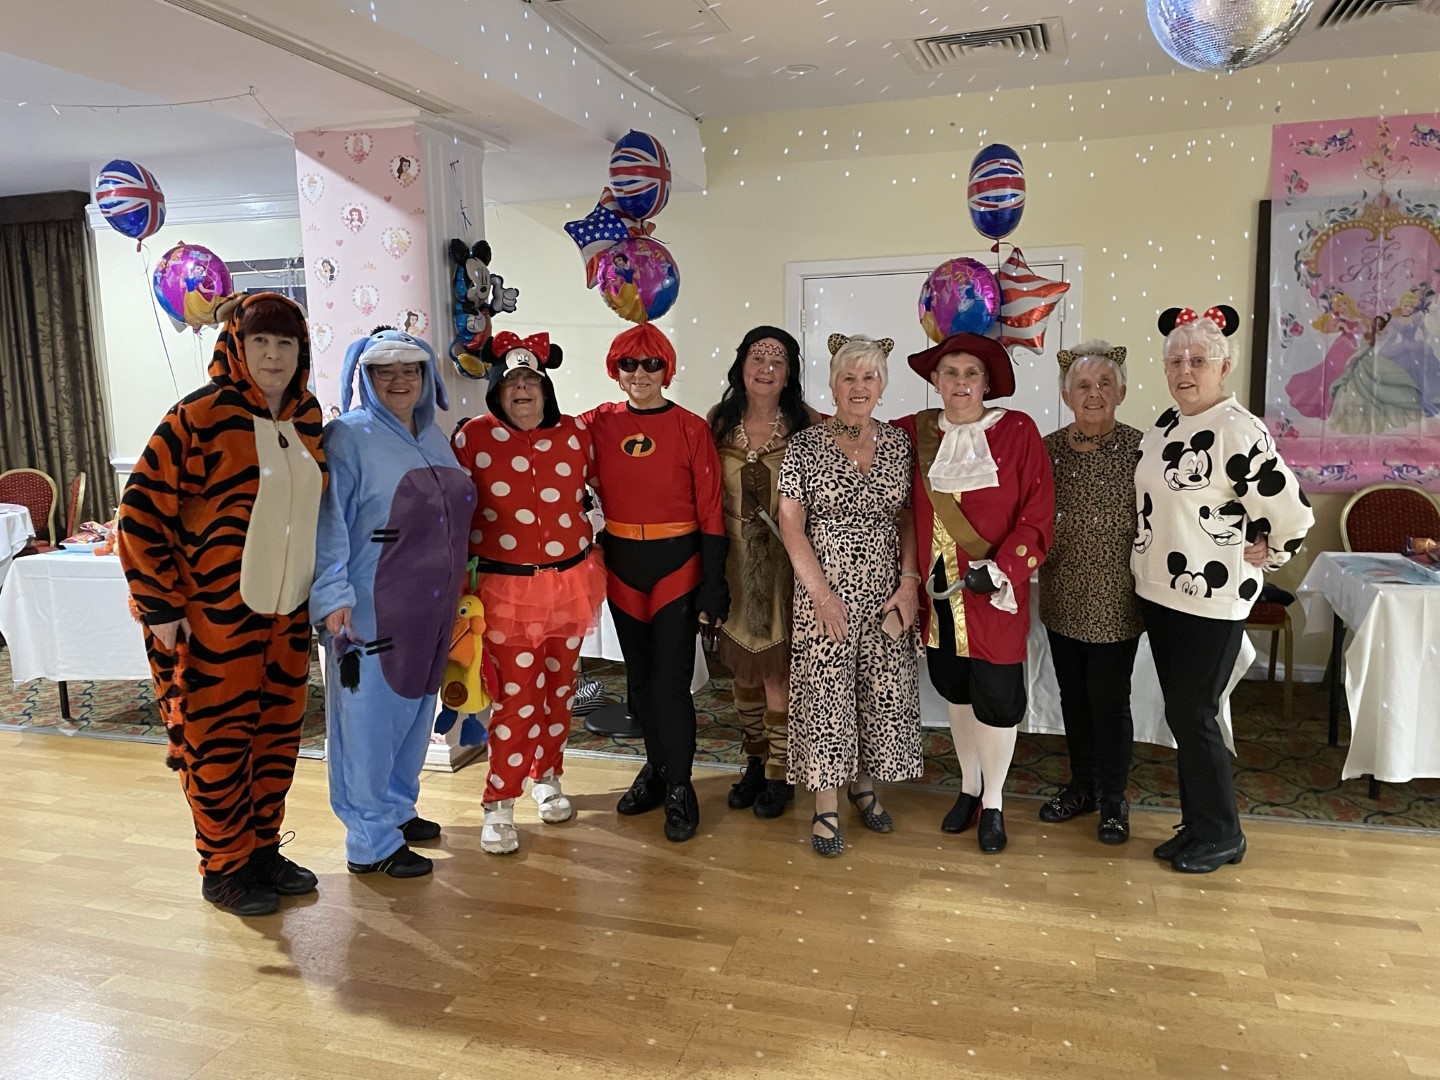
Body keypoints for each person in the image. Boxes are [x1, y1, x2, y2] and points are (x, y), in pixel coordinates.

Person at [117, 293, 325, 917]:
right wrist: (159, 604)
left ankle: (261, 850)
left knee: (275, 740)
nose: (273, 356)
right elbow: (139, 512)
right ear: (235, 345)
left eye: (285, 344)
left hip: (286, 617)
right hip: (212, 621)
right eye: (260, 342)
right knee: (217, 744)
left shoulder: (308, 416)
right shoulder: (198, 416)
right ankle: (223, 866)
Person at [1135, 305, 1314, 873]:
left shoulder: (1238, 429)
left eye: (1198, 360)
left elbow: (1293, 512)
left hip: (1210, 600)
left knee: (1196, 715)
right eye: (1175, 360)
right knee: (1182, 716)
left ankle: (1222, 834)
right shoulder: (1168, 423)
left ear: (1224, 366)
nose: (1184, 370)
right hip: (1161, 592)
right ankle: (1199, 824)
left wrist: (1273, 549)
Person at [310, 328, 474, 879]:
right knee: (366, 722)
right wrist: (333, 593)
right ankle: (369, 839)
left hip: (430, 608)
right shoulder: (347, 437)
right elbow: (329, 520)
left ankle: (398, 808)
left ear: (427, 378)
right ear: (366, 377)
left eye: (411, 369)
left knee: (414, 712)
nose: (400, 380)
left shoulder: (435, 438)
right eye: (386, 370)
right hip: (368, 610)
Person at [896, 332, 1054, 855]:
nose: (960, 382)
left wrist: (1005, 568)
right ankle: (968, 787)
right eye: (950, 372)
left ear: (986, 383)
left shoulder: (1018, 430)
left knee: (998, 701)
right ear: (935, 380)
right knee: (957, 693)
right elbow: (854, 428)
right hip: (939, 598)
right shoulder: (914, 431)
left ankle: (994, 802)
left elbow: (1038, 513)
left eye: (971, 373)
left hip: (993, 594)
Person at [453, 331, 607, 854]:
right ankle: (499, 801)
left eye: (530, 382)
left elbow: (602, 489)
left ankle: (547, 775)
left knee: (560, 691)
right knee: (517, 699)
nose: (522, 390)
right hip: (506, 590)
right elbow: (450, 511)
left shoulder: (575, 433)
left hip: (571, 581)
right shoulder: (472, 438)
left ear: (545, 389)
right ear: (497, 390)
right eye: (512, 383)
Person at [583, 324, 728, 843]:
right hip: (623, 565)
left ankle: (680, 786)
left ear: (667, 369)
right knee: (639, 681)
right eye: (629, 364)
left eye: (651, 364)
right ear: (615, 370)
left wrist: (714, 584)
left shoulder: (691, 428)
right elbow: (547, 443)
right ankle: (657, 768)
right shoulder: (596, 423)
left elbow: (712, 511)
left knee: (671, 683)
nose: (640, 374)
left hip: (677, 567)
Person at [779, 334, 921, 858]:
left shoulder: (899, 444)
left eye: (869, 377)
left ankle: (864, 786)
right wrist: (821, 594)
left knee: (878, 690)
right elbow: (791, 525)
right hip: (826, 591)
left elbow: (907, 517)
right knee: (826, 695)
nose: (859, 387)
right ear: (833, 384)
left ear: (882, 385)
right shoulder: (805, 446)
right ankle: (825, 806)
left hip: (885, 590)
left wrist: (909, 582)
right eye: (848, 377)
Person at [709, 327, 819, 820]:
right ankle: (755, 760)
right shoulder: (718, 421)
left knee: (778, 670)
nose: (767, 368)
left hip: (784, 564)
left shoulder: (808, 423)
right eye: (758, 357)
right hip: (732, 560)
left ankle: (780, 771)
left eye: (778, 360)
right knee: (742, 670)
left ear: (790, 374)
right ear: (742, 366)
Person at [1037, 341, 1143, 845]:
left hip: (1118, 599)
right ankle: (1082, 786)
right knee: (1073, 698)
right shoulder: (1047, 450)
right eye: (1083, 385)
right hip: (1062, 596)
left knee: (1110, 701)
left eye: (1104, 384)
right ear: (1066, 395)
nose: (1094, 393)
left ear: (1121, 392)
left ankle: (1114, 798)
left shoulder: (1144, 450)